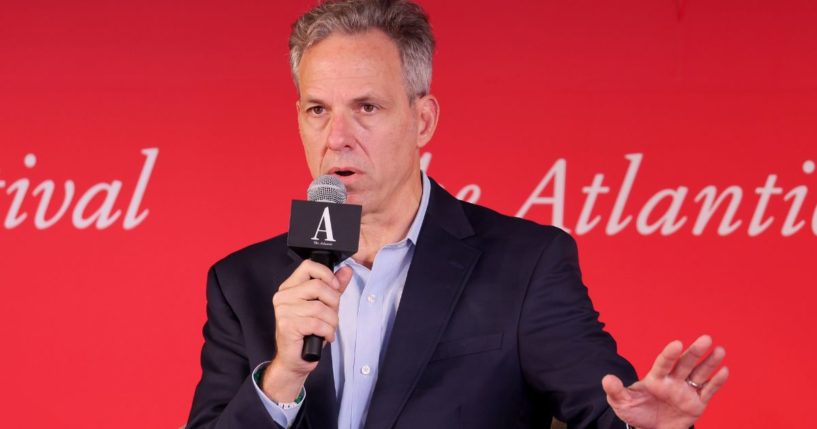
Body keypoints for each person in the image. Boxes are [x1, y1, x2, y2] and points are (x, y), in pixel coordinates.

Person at [186, 1, 728, 428]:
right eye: (318, 110)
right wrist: (281, 377)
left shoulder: (526, 265)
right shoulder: (243, 282)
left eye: (366, 108)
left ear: (423, 121)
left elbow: (607, 412)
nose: (338, 138)